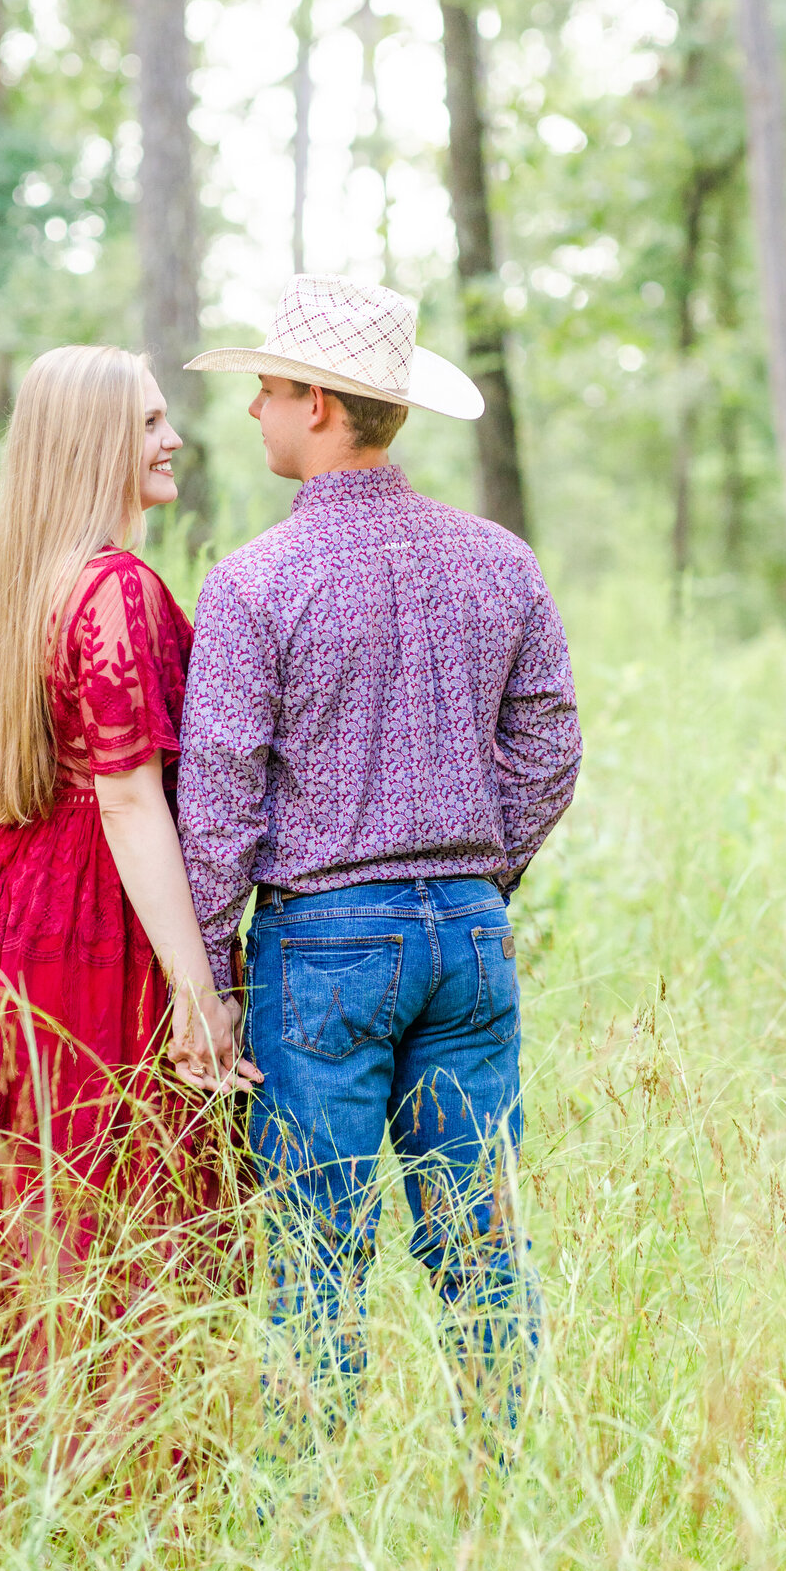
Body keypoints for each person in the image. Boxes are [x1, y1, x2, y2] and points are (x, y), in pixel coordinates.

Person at [176, 276, 582, 1470]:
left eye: (266, 388)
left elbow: (218, 809)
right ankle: (505, 1481)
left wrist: (208, 980)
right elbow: (551, 744)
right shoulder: (499, 561)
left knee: (318, 1239)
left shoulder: (255, 581)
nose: (252, 408)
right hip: (468, 938)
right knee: (478, 1232)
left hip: (324, 949)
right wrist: (475, 872)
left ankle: (308, 1508)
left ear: (318, 403)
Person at [0, 344, 260, 1438]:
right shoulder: (113, 586)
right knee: (128, 1185)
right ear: (93, 441)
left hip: (21, 898)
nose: (173, 438)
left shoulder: (41, 578)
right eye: (150, 421)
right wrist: (200, 989)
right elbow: (130, 801)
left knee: (39, 1185)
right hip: (97, 907)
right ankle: (133, 1473)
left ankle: (36, 1450)